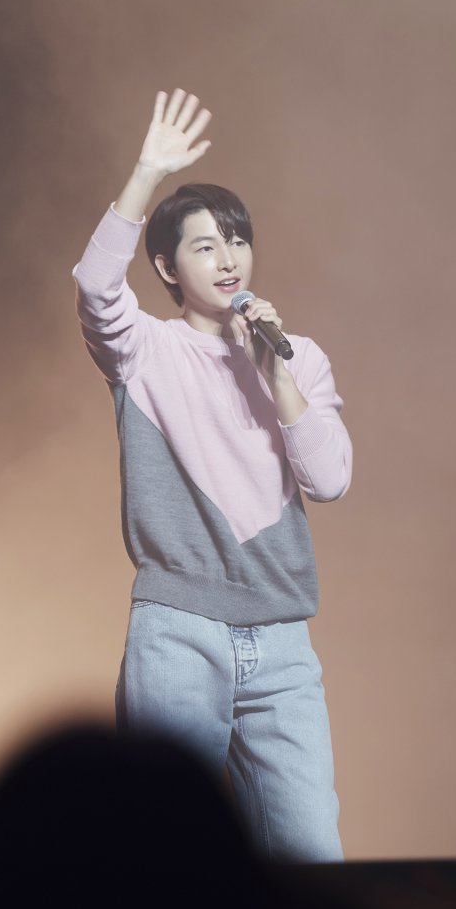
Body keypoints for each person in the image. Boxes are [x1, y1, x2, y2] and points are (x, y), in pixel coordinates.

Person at [71, 87, 353, 862]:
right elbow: (95, 287)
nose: (228, 259)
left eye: (237, 240)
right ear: (166, 265)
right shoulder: (145, 351)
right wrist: (146, 174)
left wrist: (278, 371)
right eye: (204, 246)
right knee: (169, 861)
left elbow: (329, 480)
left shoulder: (299, 357)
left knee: (312, 859)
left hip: (283, 639)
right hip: (179, 630)